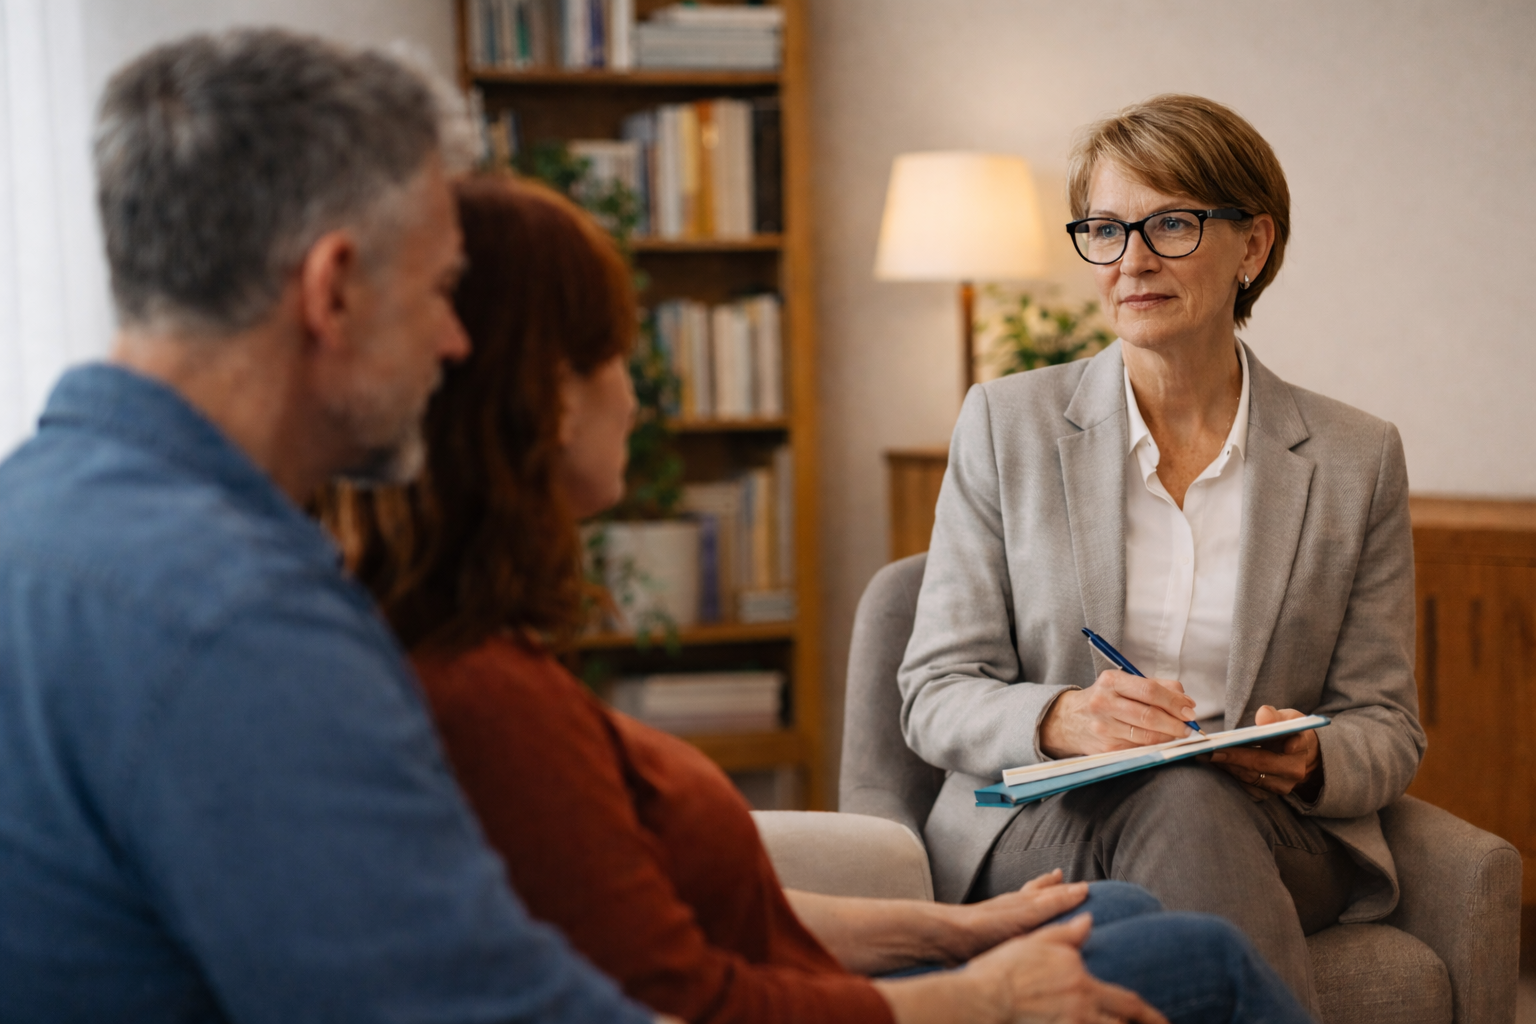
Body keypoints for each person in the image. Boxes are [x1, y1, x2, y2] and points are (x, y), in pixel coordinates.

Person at [323, 172, 1315, 1024]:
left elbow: (685, 914)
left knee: (1124, 915)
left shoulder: (474, 650)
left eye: (1169, 225)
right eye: (612, 359)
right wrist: (985, 994)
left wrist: (951, 926)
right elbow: (705, 997)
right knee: (1206, 962)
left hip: (799, 971)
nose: (635, 398)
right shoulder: (482, 696)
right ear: (536, 397)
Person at [0, 29, 664, 1024]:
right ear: (334, 288)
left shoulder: (37, 508)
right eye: (443, 288)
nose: (457, 338)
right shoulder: (238, 617)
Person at [897, 94, 1425, 1012]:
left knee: (1190, 802)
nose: (1132, 259)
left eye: (1171, 224)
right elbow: (935, 691)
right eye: (1104, 228)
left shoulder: (1355, 456)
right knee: (1176, 812)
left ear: (1252, 247)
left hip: (1272, 829)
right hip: (1046, 821)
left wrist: (1310, 759)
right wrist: (1064, 717)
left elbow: (1386, 723)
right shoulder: (1005, 425)